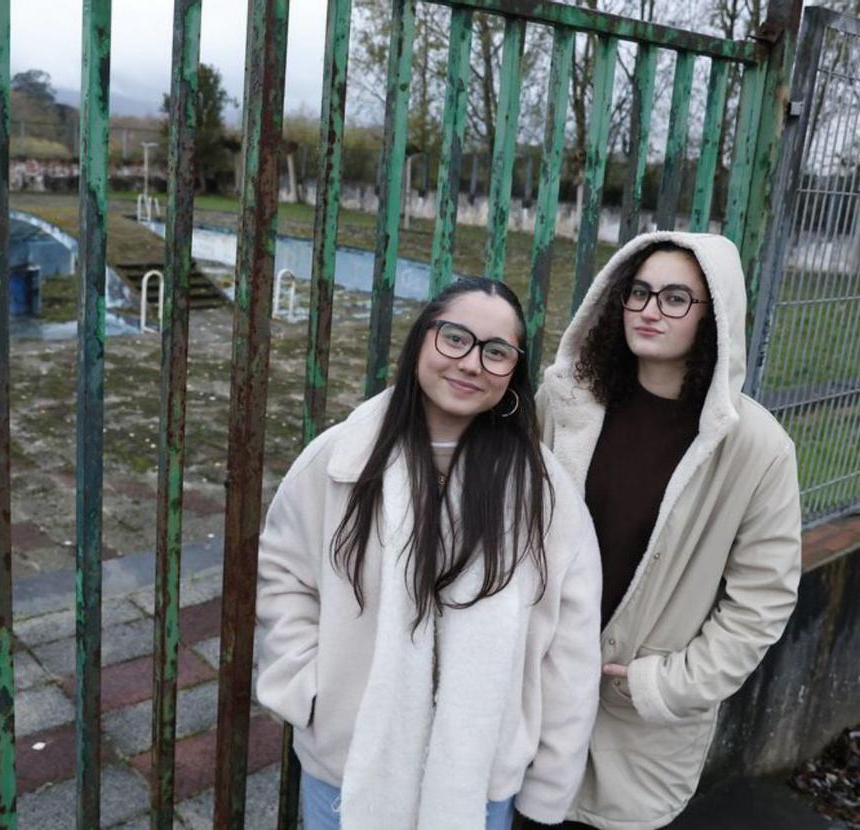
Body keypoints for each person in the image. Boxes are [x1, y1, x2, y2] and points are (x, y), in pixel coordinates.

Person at [254, 276, 603, 830]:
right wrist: (306, 688)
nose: (470, 363)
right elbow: (283, 573)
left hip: (479, 780)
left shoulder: (545, 494)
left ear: (514, 373)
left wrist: (548, 787)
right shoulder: (340, 461)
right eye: (454, 338)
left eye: (496, 352)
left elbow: (571, 654)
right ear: (421, 341)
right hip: (348, 764)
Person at [530, 232, 802, 829]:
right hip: (535, 696)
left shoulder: (757, 449)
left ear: (716, 318)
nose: (651, 309)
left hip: (637, 725)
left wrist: (666, 686)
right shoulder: (566, 401)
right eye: (640, 292)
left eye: (676, 298)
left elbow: (763, 600)